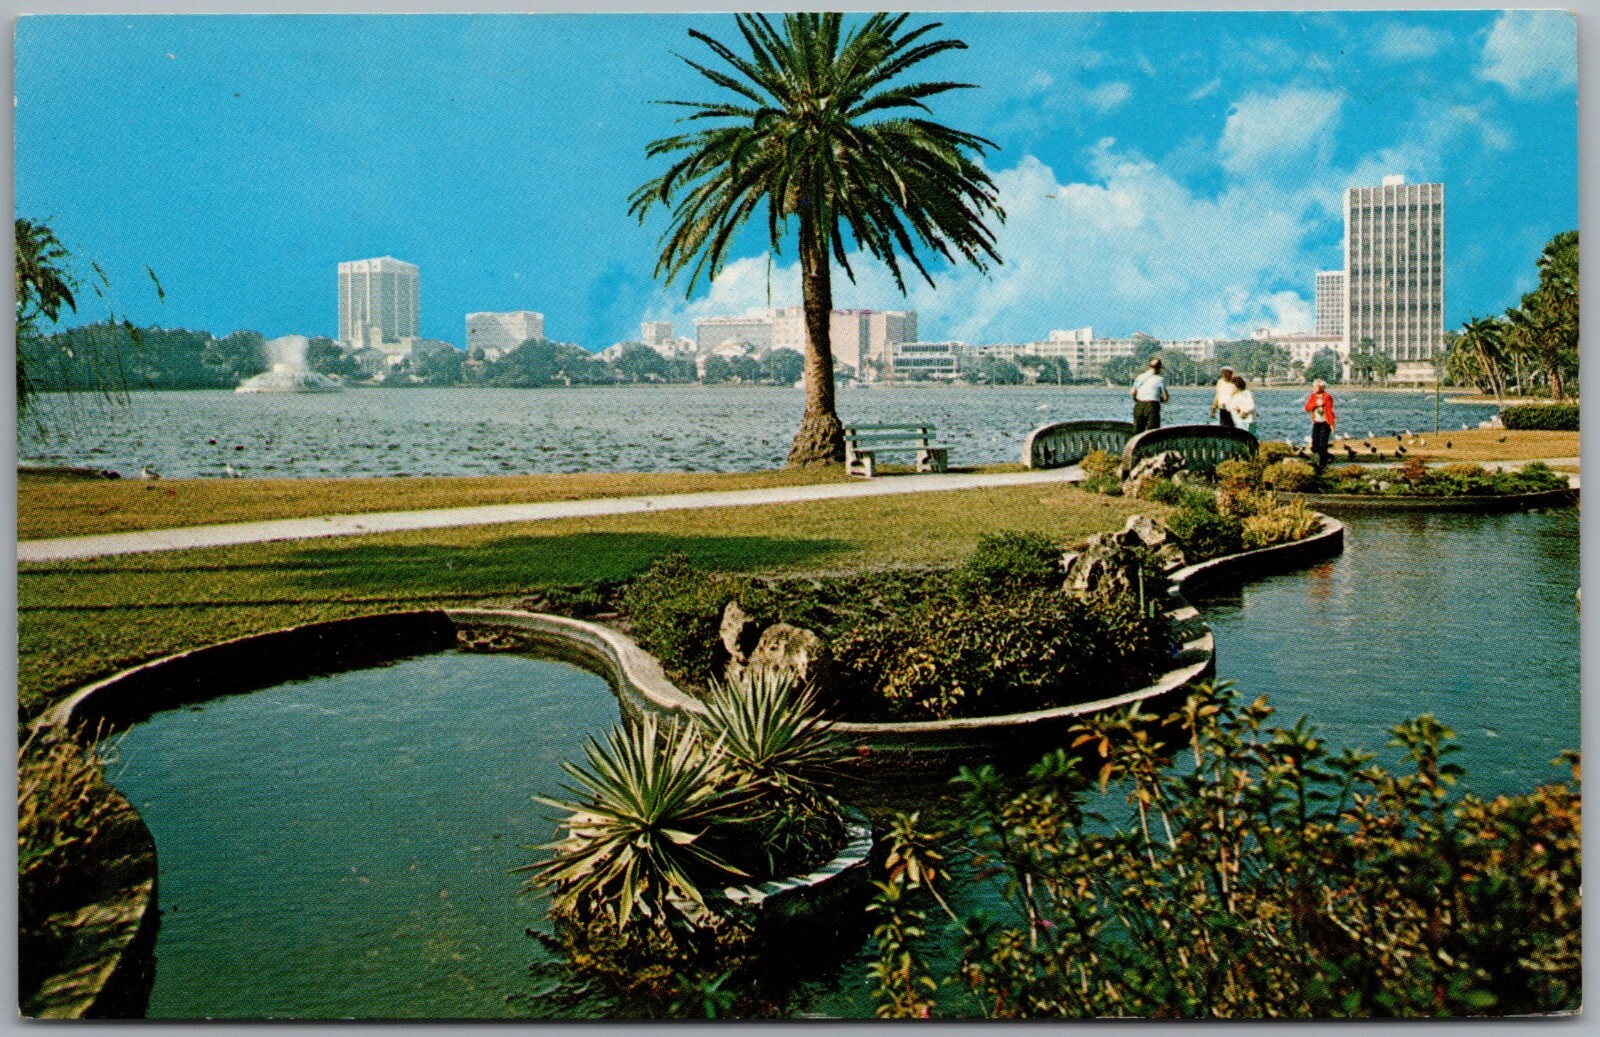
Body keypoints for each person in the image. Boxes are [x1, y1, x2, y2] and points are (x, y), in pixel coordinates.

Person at [1130, 357, 1169, 433]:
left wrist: (1138, 398)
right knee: (1152, 432)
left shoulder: (1140, 377)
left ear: (1149, 366)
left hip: (1139, 405)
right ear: (1159, 368)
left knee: (1138, 431)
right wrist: (1159, 398)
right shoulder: (1160, 379)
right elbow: (1166, 398)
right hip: (1152, 406)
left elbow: (1132, 392)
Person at [1304, 378, 1336, 468]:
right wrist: (1316, 404)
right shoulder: (1313, 396)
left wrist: (1332, 424)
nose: (1314, 388)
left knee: (1323, 444)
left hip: (1325, 423)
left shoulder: (1327, 396)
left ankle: (1322, 464)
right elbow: (1307, 408)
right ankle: (1328, 456)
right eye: (1314, 386)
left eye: (1316, 386)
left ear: (1322, 387)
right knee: (1314, 446)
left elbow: (1329, 411)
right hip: (1316, 423)